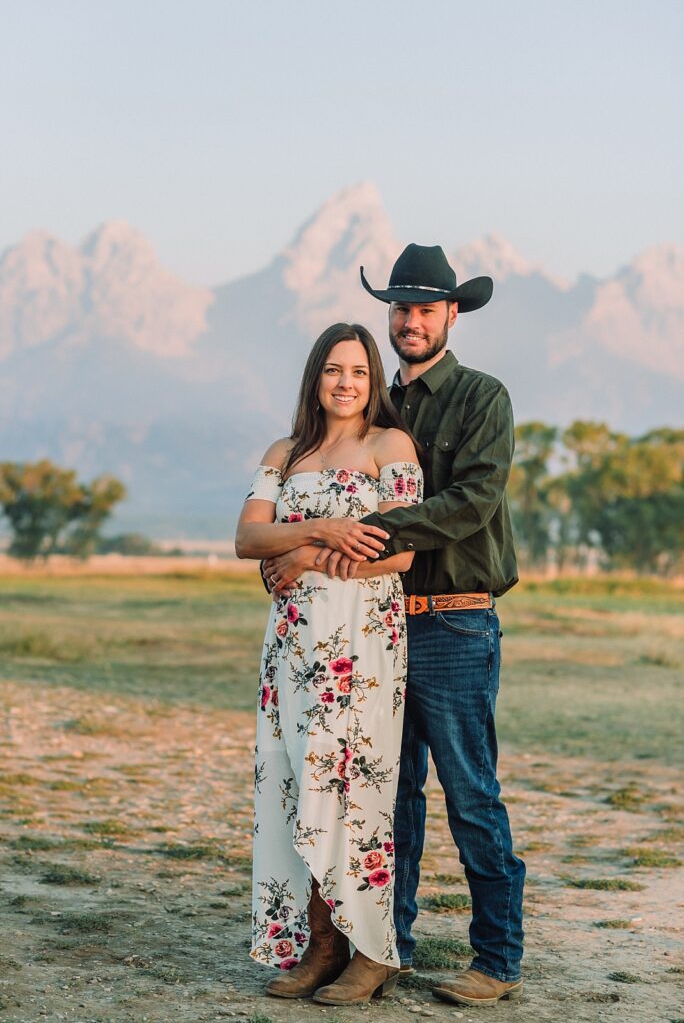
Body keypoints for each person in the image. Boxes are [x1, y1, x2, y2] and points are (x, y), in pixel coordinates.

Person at [266, 244, 526, 1008]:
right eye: (401, 308)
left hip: (453, 623)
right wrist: (310, 542)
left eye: (425, 308)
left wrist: (341, 532)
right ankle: (386, 948)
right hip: (373, 630)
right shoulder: (378, 409)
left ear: (452, 314)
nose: (410, 321)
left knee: (471, 794)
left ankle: (497, 960)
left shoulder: (483, 396)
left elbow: (469, 504)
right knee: (388, 796)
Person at [235, 322, 423, 1006]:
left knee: (355, 789)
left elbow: (400, 554)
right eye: (333, 371)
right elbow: (247, 537)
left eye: (359, 373)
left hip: (361, 646)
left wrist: (306, 554)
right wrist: (322, 529)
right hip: (291, 643)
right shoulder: (286, 452)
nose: (345, 383)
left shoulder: (389, 446)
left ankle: (372, 950)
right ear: (315, 377)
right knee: (294, 789)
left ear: (374, 382)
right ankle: (319, 948)